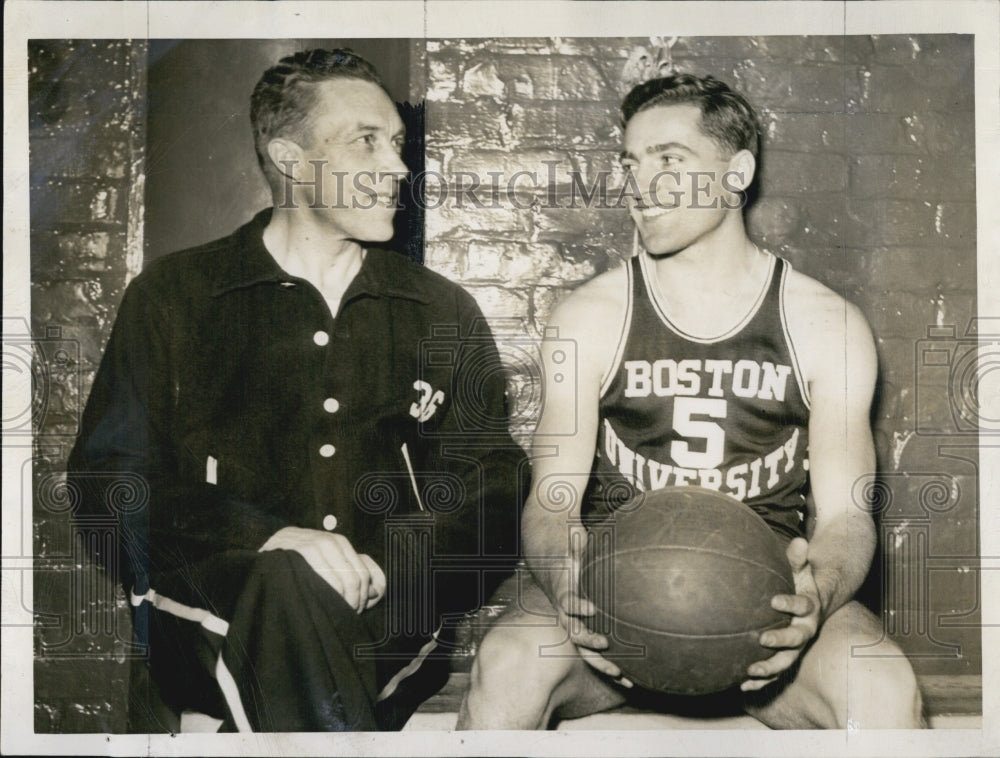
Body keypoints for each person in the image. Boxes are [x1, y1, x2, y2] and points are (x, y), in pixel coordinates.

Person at [67, 48, 525, 732]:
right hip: (210, 620)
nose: (398, 168)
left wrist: (387, 564)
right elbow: (108, 484)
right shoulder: (175, 296)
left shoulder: (441, 311)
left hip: (384, 627)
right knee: (285, 578)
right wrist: (271, 537)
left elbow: (491, 489)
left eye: (396, 143)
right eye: (365, 142)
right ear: (288, 159)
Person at [457, 73, 923, 730]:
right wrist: (568, 584)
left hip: (770, 621)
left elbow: (847, 517)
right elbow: (551, 497)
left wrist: (816, 595)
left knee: (881, 683)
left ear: (737, 172)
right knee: (506, 666)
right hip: (615, 609)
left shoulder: (825, 323)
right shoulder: (590, 317)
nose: (638, 186)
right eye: (630, 162)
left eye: (668, 161)